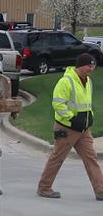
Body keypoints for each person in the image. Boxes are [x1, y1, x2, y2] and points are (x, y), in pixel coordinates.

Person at [37, 52, 103, 200]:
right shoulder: (66, 81)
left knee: (91, 158)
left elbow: (86, 103)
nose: (91, 68)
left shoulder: (88, 81)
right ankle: (44, 187)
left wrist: (89, 117)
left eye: (93, 66)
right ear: (80, 66)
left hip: (83, 130)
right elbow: (58, 104)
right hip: (66, 128)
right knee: (57, 158)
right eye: (89, 65)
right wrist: (71, 118)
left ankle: (100, 190)